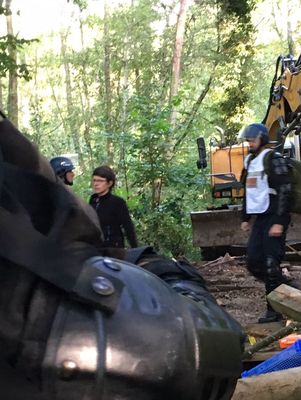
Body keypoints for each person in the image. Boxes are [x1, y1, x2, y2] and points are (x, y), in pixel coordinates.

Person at [0, 114, 243, 399]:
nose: (93, 183)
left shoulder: (112, 203)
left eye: (99, 180)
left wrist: (134, 254)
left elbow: (83, 235)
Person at [239, 122, 291, 323]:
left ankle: (274, 310)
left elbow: (285, 191)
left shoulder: (273, 159)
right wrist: (244, 217)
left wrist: (279, 222)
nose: (249, 143)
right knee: (253, 262)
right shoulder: (250, 161)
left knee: (271, 264)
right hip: (260, 218)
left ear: (262, 139)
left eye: (252, 139)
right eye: (248, 140)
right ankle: (285, 287)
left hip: (273, 217)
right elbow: (248, 191)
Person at [89, 165, 138, 248]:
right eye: (94, 180)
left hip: (114, 249)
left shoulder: (117, 202)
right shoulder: (93, 200)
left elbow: (128, 227)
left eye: (100, 181)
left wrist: (135, 248)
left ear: (109, 183)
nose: (96, 184)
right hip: (95, 248)